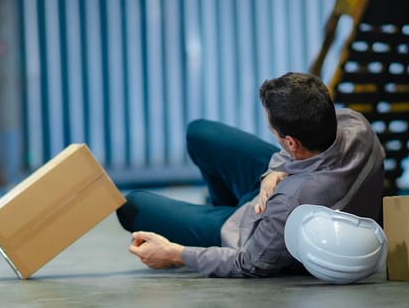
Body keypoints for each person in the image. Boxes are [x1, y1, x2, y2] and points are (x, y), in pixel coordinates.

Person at [116, 72, 385, 278]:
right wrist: (274, 171)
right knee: (199, 133)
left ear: (292, 143)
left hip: (250, 231)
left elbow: (250, 262)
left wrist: (174, 254)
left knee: (132, 207)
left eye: (272, 129)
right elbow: (290, 156)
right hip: (285, 183)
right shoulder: (356, 126)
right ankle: (220, 208)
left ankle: (214, 226)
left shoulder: (291, 204)